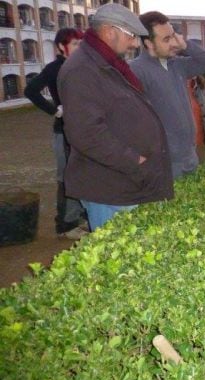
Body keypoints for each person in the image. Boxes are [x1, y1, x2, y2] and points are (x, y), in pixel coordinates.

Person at [57, 3, 173, 230]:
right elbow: (86, 134)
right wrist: (136, 161)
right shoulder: (82, 70)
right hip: (110, 189)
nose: (134, 44)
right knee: (115, 260)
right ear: (110, 32)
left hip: (125, 183)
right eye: (131, 36)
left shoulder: (108, 64)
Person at [129, 11, 205, 179]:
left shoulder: (176, 65)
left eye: (173, 36)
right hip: (165, 163)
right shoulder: (136, 71)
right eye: (166, 39)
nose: (173, 43)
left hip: (189, 156)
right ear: (148, 43)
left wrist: (185, 45)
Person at [23, 28, 88, 240]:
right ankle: (65, 225)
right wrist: (55, 109)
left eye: (81, 44)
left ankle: (79, 216)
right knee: (67, 177)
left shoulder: (82, 66)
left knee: (84, 174)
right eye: (75, 44)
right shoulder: (54, 68)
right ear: (62, 46)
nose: (80, 48)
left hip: (85, 131)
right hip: (64, 132)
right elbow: (30, 90)